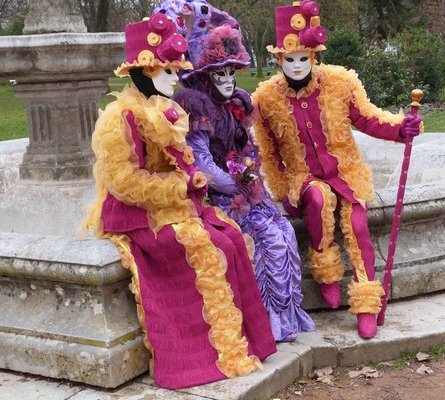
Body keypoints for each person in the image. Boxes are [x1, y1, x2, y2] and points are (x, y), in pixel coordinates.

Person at [82, 14, 276, 390]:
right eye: (168, 71)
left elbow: (182, 160)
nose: (176, 79)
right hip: (137, 215)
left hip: (175, 203)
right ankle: (195, 359)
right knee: (202, 245)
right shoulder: (120, 117)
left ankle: (247, 342)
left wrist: (191, 180)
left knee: (231, 237)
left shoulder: (163, 107)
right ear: (145, 70)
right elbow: (123, 182)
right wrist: (180, 184)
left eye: (176, 70)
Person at [252, 0, 422, 339]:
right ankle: (326, 270)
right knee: (317, 200)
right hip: (306, 178)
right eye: (290, 59)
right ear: (279, 60)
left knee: (357, 225)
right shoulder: (266, 99)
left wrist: (400, 128)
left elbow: (366, 116)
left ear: (314, 58)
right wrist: (283, 188)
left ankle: (366, 303)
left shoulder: (340, 82)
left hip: (346, 173)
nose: (298, 66)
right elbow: (267, 152)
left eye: (304, 58)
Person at [173, 2, 315, 342]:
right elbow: (202, 163)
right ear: (204, 78)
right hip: (218, 198)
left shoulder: (235, 106)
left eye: (230, 73)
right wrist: (236, 182)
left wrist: (251, 175)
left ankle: (286, 317)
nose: (226, 81)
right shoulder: (197, 106)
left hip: (245, 191)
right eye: (218, 74)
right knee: (267, 240)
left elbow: (248, 149)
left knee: (285, 232)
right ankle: (264, 321)